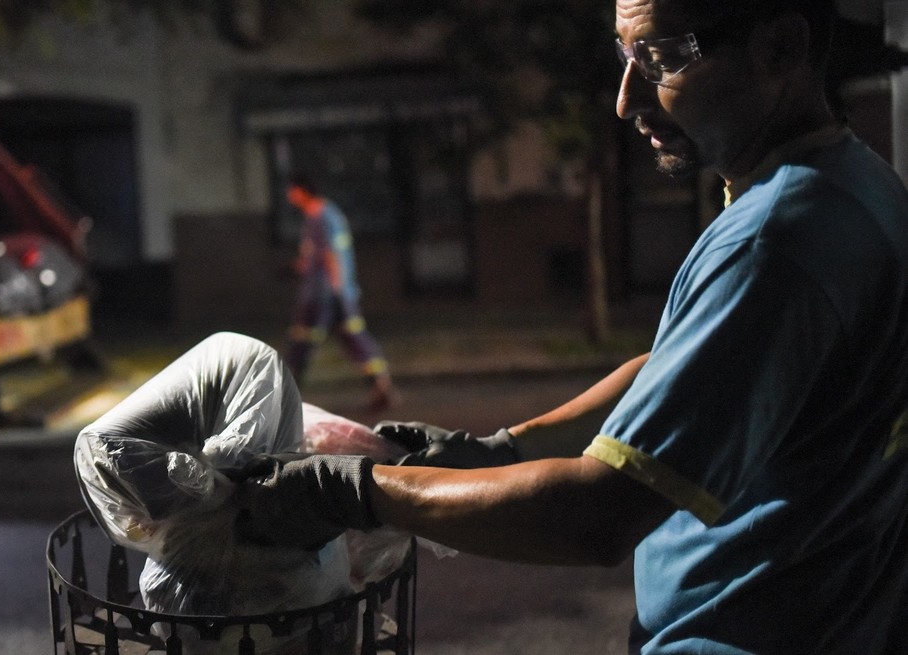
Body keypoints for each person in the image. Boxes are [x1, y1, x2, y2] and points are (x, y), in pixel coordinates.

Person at [233, 1, 908, 652]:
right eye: (624, 54)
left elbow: (596, 515)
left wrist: (353, 491)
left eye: (662, 56)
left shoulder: (774, 241)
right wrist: (503, 448)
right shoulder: (854, 182)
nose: (625, 96)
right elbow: (685, 367)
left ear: (780, 48)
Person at [283, 174, 394, 410]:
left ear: (302, 191)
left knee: (302, 340)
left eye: (291, 190)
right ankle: (380, 385)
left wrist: (337, 290)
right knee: (352, 337)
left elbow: (331, 255)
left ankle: (284, 399)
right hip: (331, 291)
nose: (288, 196)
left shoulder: (322, 216)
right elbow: (315, 256)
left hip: (323, 294)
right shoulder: (320, 216)